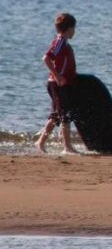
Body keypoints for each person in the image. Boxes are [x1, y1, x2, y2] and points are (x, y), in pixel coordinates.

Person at [35, 13, 79, 154]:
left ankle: (40, 142)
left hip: (59, 84)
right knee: (65, 114)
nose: (74, 31)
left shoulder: (64, 43)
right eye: (74, 28)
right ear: (69, 29)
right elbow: (46, 58)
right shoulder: (60, 42)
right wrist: (57, 76)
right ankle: (67, 147)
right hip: (56, 84)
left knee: (55, 115)